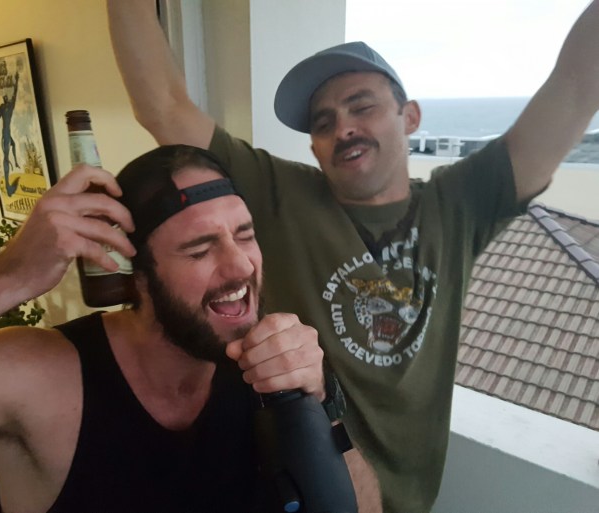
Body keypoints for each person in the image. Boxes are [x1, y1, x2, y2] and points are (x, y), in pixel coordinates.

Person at [106, 1, 599, 511]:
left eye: (362, 107)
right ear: (315, 149)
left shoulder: (459, 204)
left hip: (414, 500)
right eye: (323, 123)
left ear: (410, 117)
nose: (342, 128)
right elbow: (163, 106)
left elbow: (575, 88)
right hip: (307, 490)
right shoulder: (279, 195)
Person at [0, 145, 381, 513]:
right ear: (136, 276)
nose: (240, 265)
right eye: (199, 249)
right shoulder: (37, 376)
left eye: (245, 235)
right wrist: (8, 277)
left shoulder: (264, 364)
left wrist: (319, 403)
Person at [0, 71, 21, 197]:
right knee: (6, 156)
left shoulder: (8, 106)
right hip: (5, 132)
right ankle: (7, 186)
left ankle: (14, 163)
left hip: (7, 132)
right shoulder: (3, 107)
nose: (5, 96)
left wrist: (17, 81)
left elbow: (15, 94)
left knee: (13, 146)